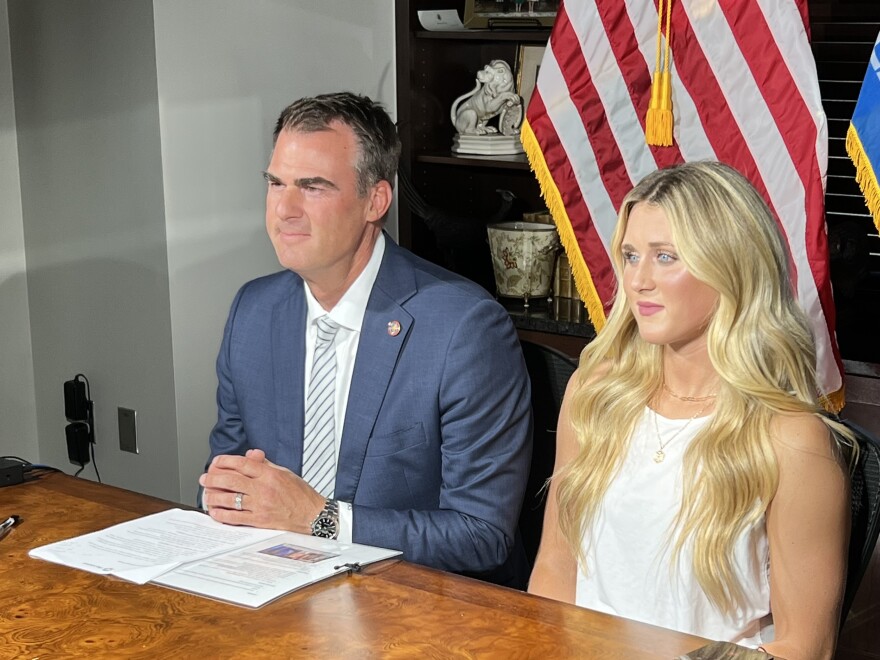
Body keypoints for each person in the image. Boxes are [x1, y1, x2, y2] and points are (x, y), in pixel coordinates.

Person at [199, 92, 532, 587]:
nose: (284, 209)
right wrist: (225, 495)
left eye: (312, 187)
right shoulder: (254, 311)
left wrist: (322, 520)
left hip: (417, 605)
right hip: (272, 588)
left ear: (375, 201)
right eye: (276, 183)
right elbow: (223, 477)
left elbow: (481, 534)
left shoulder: (463, 327)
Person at [528, 161, 854, 659]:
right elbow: (554, 572)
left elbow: (806, 647)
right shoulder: (594, 394)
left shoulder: (791, 439)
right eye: (632, 255)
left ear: (730, 265)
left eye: (665, 257)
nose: (638, 280)